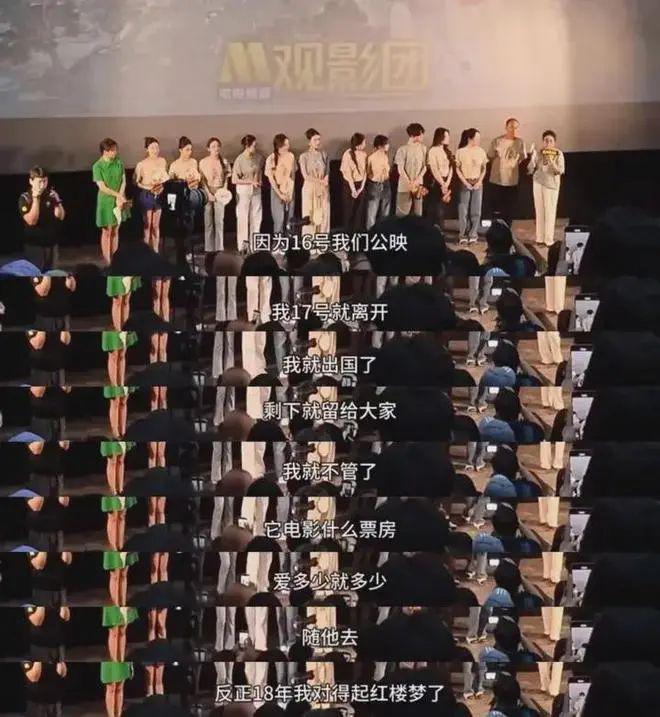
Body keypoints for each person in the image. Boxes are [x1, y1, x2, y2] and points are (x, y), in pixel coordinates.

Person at [18, 167, 65, 271]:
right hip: (35, 245)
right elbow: (31, 221)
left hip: (51, 244)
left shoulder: (50, 195)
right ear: (31, 181)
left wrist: (58, 202)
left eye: (45, 181)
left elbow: (60, 216)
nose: (42, 185)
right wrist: (36, 199)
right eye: (39, 182)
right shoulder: (25, 198)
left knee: (52, 274)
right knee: (36, 273)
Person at [169, 136, 205, 263]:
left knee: (190, 224)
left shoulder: (193, 162)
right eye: (187, 150)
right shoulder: (174, 165)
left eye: (190, 149)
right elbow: (171, 184)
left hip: (191, 196)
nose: (189, 152)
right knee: (179, 225)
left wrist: (194, 180)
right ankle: (180, 250)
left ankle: (189, 250)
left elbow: (197, 179)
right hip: (179, 198)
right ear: (180, 150)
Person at [487, 118, 530, 227]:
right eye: (511, 127)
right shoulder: (497, 141)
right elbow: (490, 156)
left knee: (510, 208)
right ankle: (496, 229)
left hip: (512, 180)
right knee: (497, 208)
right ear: (506, 127)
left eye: (516, 128)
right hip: (497, 180)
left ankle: (507, 229)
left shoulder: (520, 142)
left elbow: (523, 158)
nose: (513, 130)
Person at [93, 138, 128, 265]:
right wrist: (117, 195)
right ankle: (107, 260)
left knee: (116, 229)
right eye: (112, 150)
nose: (115, 152)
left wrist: (120, 196)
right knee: (107, 231)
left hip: (119, 199)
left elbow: (123, 180)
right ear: (105, 151)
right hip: (106, 201)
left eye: (115, 150)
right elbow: (102, 187)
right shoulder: (97, 166)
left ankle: (115, 258)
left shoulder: (118, 162)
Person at [528, 130, 565, 246]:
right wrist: (532, 157)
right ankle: (540, 238)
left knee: (550, 211)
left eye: (550, 141)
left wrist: (551, 161)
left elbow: (560, 170)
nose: (548, 143)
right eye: (546, 140)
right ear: (543, 141)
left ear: (554, 142)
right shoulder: (539, 153)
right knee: (539, 210)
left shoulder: (558, 153)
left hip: (551, 185)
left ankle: (548, 239)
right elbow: (530, 169)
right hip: (538, 182)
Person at [133, 136, 168, 252]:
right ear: (147, 149)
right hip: (146, 195)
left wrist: (161, 186)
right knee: (148, 224)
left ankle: (156, 251)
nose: (155, 150)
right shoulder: (141, 164)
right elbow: (136, 182)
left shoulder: (162, 161)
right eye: (152, 148)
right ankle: (146, 251)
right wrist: (148, 187)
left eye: (157, 147)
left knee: (156, 225)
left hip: (159, 194)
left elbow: (165, 177)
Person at [232, 134, 264, 253]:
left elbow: (259, 171)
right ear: (247, 146)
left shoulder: (258, 157)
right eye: (253, 146)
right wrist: (250, 182)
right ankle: (243, 246)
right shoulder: (239, 159)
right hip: (243, 191)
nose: (255, 148)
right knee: (243, 218)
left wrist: (259, 180)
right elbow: (234, 179)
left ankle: (254, 245)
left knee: (256, 217)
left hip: (256, 190)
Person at [199, 136, 232, 252]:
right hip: (207, 191)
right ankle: (209, 248)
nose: (216, 148)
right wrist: (208, 194)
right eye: (213, 146)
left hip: (220, 191)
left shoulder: (224, 161)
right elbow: (202, 180)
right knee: (208, 220)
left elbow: (226, 178)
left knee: (219, 220)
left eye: (218, 146)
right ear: (208, 148)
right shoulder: (203, 162)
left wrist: (223, 191)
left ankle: (219, 247)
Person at [455, 128, 488, 244]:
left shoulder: (481, 151)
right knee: (463, 209)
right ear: (470, 138)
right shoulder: (461, 151)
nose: (478, 140)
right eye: (476, 138)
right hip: (465, 182)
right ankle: (462, 234)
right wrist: (465, 182)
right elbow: (457, 169)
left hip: (478, 182)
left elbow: (484, 168)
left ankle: (473, 233)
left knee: (476, 209)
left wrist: (479, 181)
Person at [300, 128, 330, 237]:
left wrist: (326, 178)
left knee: (324, 213)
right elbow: (305, 176)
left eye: (319, 139)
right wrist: (320, 181)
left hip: (323, 188)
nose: (318, 142)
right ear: (309, 142)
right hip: (310, 188)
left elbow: (327, 170)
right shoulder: (304, 156)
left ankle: (322, 239)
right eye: (315, 140)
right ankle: (309, 239)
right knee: (310, 213)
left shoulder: (324, 154)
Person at [265, 133, 297, 236]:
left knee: (290, 218)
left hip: (289, 189)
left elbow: (293, 175)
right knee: (279, 218)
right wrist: (280, 194)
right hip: (277, 190)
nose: (288, 146)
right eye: (286, 144)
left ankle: (289, 239)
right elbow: (271, 179)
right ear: (279, 146)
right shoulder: (271, 158)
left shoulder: (291, 156)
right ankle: (279, 240)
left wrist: (290, 192)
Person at [394, 122, 427, 217]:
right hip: (404, 186)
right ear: (415, 135)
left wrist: (417, 180)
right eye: (421, 134)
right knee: (402, 214)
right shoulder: (402, 149)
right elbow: (400, 169)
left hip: (418, 185)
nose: (422, 136)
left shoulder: (423, 148)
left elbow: (425, 167)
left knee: (418, 213)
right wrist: (409, 182)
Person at [424, 127, 454, 230]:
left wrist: (447, 182)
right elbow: (434, 169)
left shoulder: (447, 151)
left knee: (442, 208)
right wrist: (442, 183)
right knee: (435, 208)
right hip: (436, 182)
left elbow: (451, 168)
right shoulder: (433, 150)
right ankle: (433, 230)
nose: (448, 138)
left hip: (446, 181)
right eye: (446, 136)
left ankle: (441, 230)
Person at [340, 132, 368, 233]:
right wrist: (353, 190)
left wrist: (361, 187)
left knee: (359, 212)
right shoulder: (347, 154)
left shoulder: (364, 154)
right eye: (364, 142)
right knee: (349, 211)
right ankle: (348, 234)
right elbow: (348, 174)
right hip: (350, 185)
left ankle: (357, 233)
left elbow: (365, 172)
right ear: (358, 144)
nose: (365, 144)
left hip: (360, 185)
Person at [366, 135, 392, 229]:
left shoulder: (385, 156)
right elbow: (368, 172)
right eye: (386, 144)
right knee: (373, 211)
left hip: (385, 183)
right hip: (376, 184)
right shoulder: (372, 157)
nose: (388, 145)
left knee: (383, 210)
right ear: (380, 146)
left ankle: (380, 231)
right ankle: (372, 232)